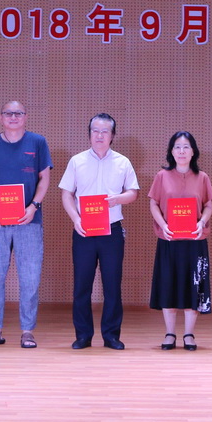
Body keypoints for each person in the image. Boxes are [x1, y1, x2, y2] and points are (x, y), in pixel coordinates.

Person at [0, 100, 52, 349]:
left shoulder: (38, 142)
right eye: (8, 113)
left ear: (25, 117)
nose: (13, 117)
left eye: (18, 113)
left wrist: (34, 206)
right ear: (0, 117)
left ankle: (27, 331)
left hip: (29, 220)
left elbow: (44, 177)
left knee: (30, 277)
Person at [60, 113, 139, 349]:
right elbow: (66, 193)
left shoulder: (123, 162)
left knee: (112, 285)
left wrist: (117, 199)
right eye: (95, 131)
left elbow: (133, 193)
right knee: (81, 286)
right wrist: (75, 219)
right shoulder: (77, 161)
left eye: (105, 131)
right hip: (83, 230)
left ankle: (111, 336)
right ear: (89, 134)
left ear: (112, 135)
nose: (100, 135)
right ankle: (83, 335)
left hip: (111, 231)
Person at [148, 131, 212, 351]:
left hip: (195, 240)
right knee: (169, 284)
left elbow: (208, 205)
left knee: (193, 285)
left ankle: (189, 334)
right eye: (177, 146)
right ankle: (169, 333)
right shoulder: (161, 176)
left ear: (193, 151)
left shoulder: (202, 177)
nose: (182, 151)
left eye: (186, 147)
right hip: (169, 239)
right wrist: (163, 225)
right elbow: (154, 203)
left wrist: (202, 222)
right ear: (171, 151)